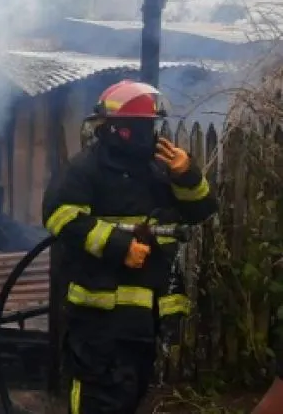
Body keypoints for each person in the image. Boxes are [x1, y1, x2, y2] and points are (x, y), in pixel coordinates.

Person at [41, 80, 219, 414]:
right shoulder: (85, 169)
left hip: (145, 316)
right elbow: (59, 217)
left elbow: (202, 211)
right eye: (142, 127)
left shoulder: (158, 169)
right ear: (118, 129)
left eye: (152, 126)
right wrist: (119, 246)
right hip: (100, 314)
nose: (149, 134)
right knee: (97, 398)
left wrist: (186, 176)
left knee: (130, 394)